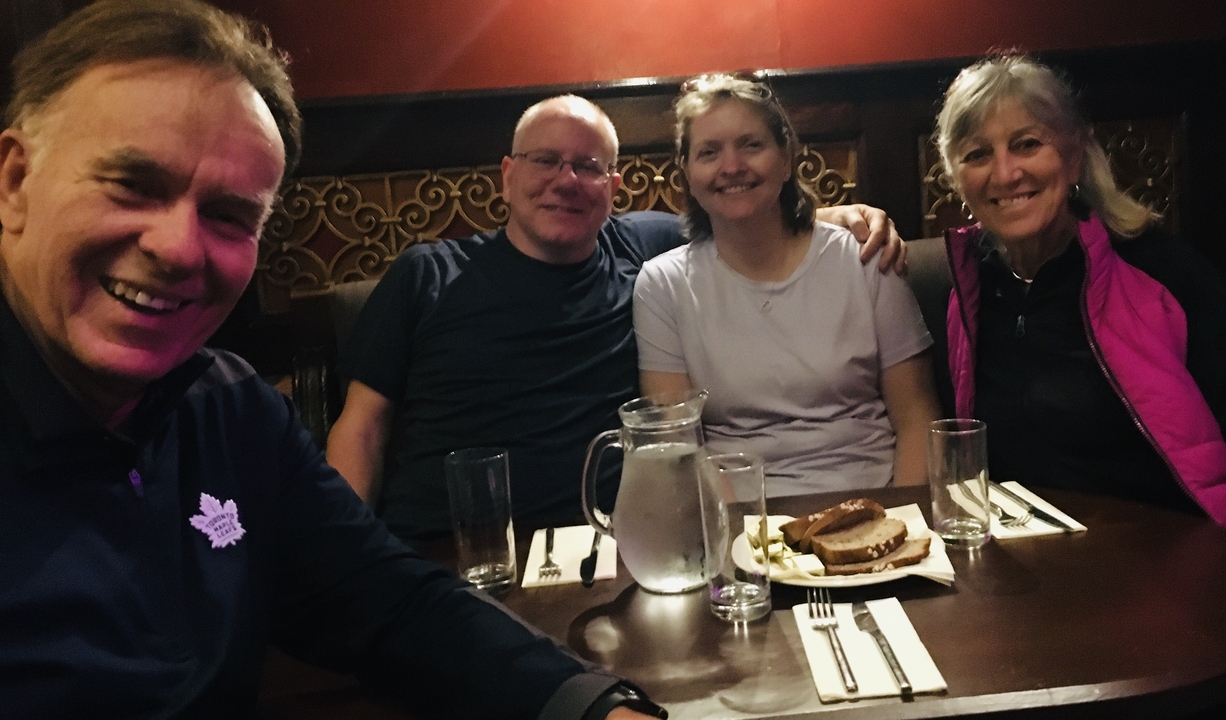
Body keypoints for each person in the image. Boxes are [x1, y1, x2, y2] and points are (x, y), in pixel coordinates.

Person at [0, 2, 667, 718]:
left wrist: (596, 708)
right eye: (133, 184)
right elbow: (364, 428)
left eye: (227, 215)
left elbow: (390, 602)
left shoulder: (230, 412)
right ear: (14, 181)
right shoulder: (429, 274)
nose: (177, 247)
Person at [328, 94, 908, 540]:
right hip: (445, 544)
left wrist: (835, 217)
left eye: (588, 166)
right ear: (507, 175)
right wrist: (345, 551)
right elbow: (361, 429)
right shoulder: (427, 274)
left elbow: (743, 221)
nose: (566, 181)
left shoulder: (642, 252)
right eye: (546, 161)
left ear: (614, 185)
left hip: (600, 540)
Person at [934, 53, 1226, 523]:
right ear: (956, 178)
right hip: (1018, 557)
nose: (1005, 173)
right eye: (977, 154)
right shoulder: (969, 286)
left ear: (1072, 158)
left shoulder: (1163, 272)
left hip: (1158, 549)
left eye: (1027, 144)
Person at [632, 74, 940, 494]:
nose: (732, 166)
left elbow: (917, 414)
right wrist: (742, 538)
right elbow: (680, 444)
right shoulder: (661, 285)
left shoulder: (865, 255)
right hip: (739, 520)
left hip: (875, 500)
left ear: (786, 157)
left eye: (751, 145)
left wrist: (904, 521)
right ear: (686, 172)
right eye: (709, 152)